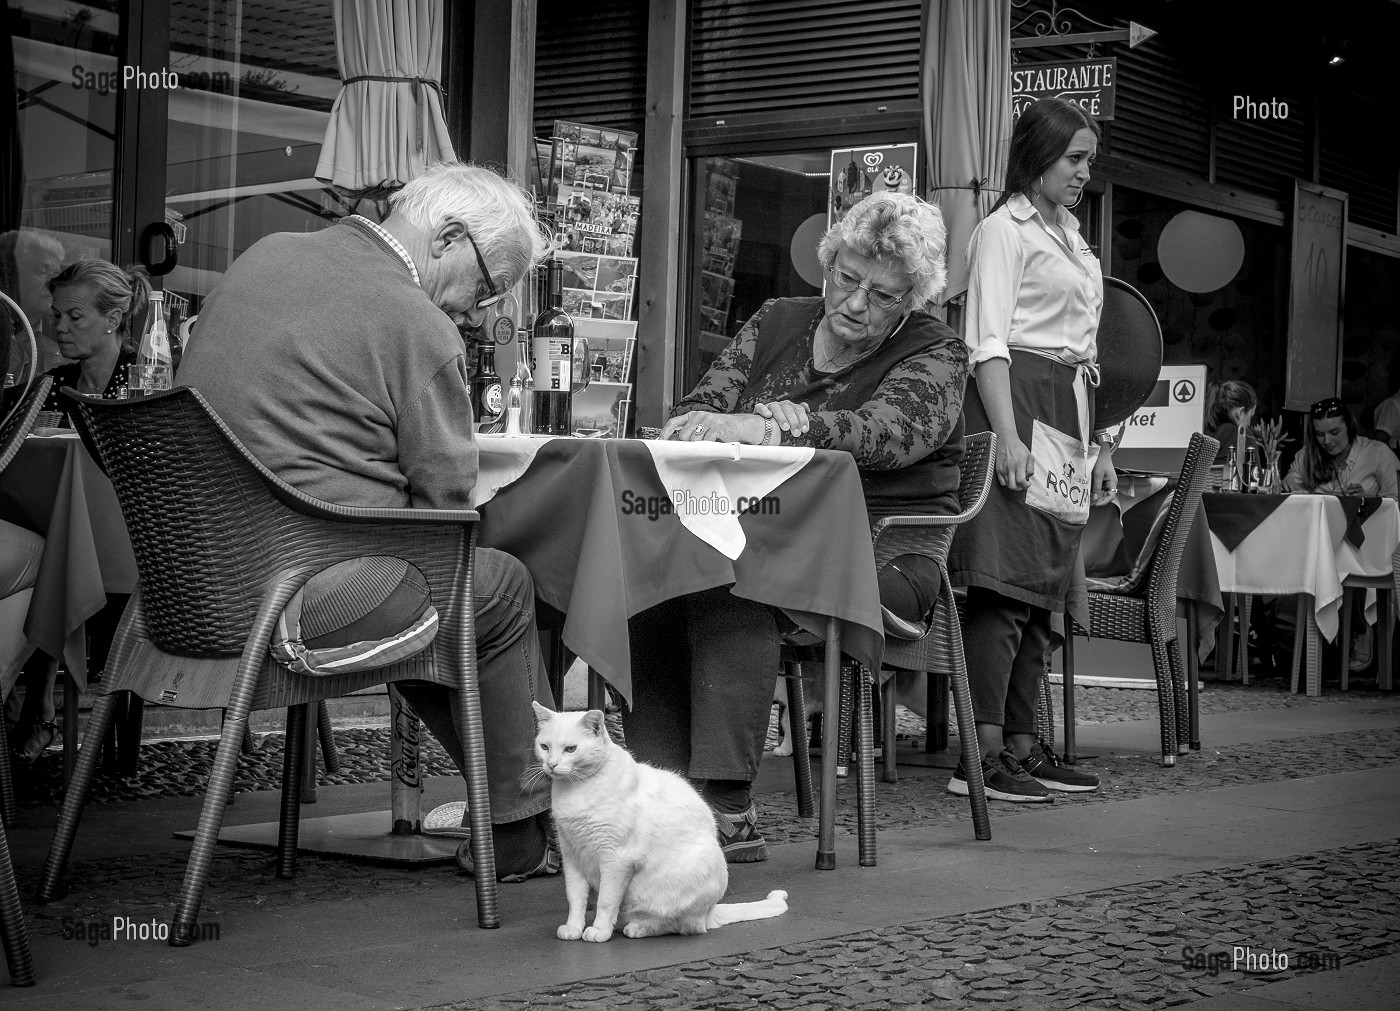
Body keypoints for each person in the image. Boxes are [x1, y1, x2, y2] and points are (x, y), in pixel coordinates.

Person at [176, 162, 560, 882]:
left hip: (189, 584)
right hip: (299, 599)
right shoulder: (415, 320)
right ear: (448, 235)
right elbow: (448, 512)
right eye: (484, 285)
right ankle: (519, 825)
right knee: (495, 587)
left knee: (426, 592)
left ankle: (523, 816)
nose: (478, 311)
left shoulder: (265, 255)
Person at [641, 190, 968, 861]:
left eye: (881, 295)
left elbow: (889, 435)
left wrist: (782, 424)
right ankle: (658, 798)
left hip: (882, 553)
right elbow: (702, 405)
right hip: (759, 530)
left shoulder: (940, 353)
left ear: (910, 300)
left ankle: (727, 809)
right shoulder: (778, 318)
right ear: (829, 262)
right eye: (846, 279)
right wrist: (703, 423)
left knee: (728, 582)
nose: (854, 303)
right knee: (650, 583)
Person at [946, 97, 1113, 804]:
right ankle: (979, 757)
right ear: (1039, 154)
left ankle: (1021, 743)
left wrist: (1101, 441)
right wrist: (1006, 435)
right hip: (1016, 402)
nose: (1083, 173)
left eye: (1088, 161)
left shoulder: (1075, 238)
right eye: (1074, 158)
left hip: (1068, 412)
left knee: (1044, 589)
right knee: (1002, 584)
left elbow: (1090, 352)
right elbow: (985, 338)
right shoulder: (1001, 231)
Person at [3, 259, 149, 762]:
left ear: (112, 320)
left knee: (53, 557)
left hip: (135, 546)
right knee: (47, 549)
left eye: (75, 317)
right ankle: (35, 703)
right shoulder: (54, 383)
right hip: (76, 537)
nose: (60, 328)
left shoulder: (143, 381)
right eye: (56, 316)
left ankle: (40, 706)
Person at [1284, 397, 1399, 500]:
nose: (1327, 441)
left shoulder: (1378, 452)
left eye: (1334, 432)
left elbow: (1395, 503)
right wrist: (1290, 485)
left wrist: (1368, 500)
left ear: (1349, 427)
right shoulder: (1306, 454)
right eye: (1320, 434)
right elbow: (1292, 480)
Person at [1204, 379, 1258, 465]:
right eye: (1251, 416)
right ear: (1240, 413)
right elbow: (1256, 476)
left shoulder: (1204, 435)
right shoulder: (1242, 436)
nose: (1249, 424)